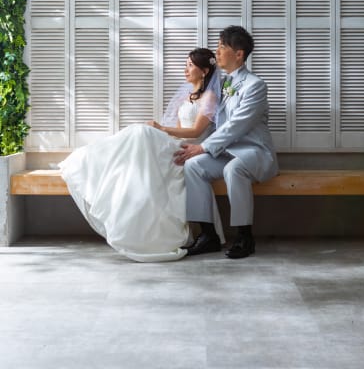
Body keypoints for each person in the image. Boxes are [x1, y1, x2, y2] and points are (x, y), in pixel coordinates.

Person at [59, 48, 223, 263]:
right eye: (186, 64)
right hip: (178, 143)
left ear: (205, 71)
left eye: (190, 65)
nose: (186, 69)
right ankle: (92, 159)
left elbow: (195, 132)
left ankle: (96, 158)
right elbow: (180, 129)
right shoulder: (186, 97)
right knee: (139, 133)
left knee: (141, 132)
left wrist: (161, 129)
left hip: (192, 149)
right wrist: (163, 134)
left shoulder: (209, 96)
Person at [174, 26, 278, 259]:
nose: (217, 52)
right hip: (225, 151)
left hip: (254, 152)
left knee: (234, 169)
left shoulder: (255, 85)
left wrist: (203, 147)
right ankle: (208, 235)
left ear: (239, 54)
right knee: (193, 166)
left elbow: (237, 125)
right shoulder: (220, 85)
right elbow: (211, 121)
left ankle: (244, 236)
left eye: (222, 47)